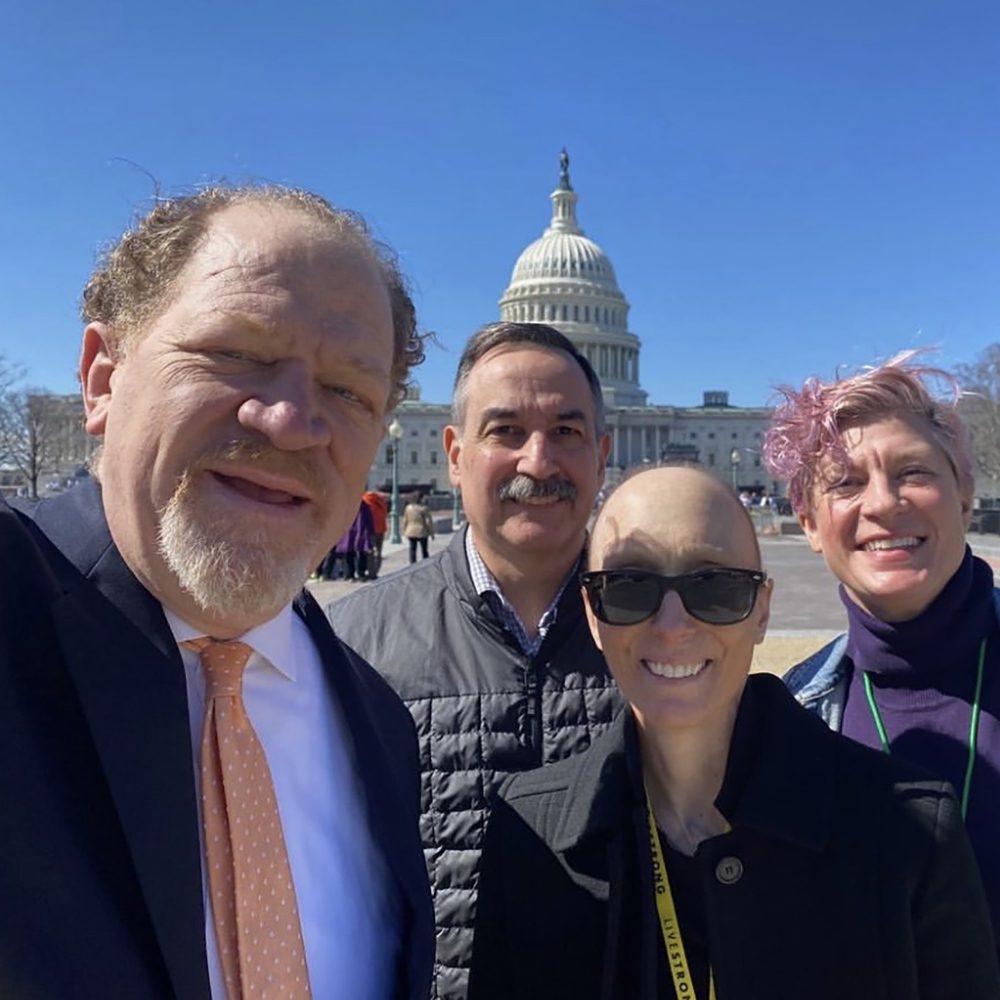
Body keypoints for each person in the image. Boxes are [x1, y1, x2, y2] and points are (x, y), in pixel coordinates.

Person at [0, 185, 433, 999]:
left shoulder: (380, 725)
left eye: (347, 391)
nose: (291, 420)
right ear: (101, 377)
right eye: (237, 352)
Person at [469, 466, 1000, 1000]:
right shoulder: (528, 832)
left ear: (762, 610)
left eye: (715, 587)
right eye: (629, 587)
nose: (672, 626)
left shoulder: (908, 832)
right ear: (592, 614)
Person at [329, 321, 621, 999]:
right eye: (507, 431)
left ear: (603, 454)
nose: (538, 462)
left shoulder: (663, 639)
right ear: (455, 454)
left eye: (567, 432)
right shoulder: (347, 647)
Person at [764, 351, 1000, 957]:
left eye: (914, 472)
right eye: (845, 482)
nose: (882, 503)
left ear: (965, 496)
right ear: (809, 524)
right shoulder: (791, 712)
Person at [363, 488, 389, 578]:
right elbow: (385, 513)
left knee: (370, 551)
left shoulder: (365, 500)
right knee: (379, 551)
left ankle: (371, 572)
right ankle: (377, 569)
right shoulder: (381, 501)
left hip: (369, 530)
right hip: (381, 528)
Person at [402, 491, 434, 562]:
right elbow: (428, 522)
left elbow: (405, 521)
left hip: (410, 531)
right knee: (424, 550)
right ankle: (425, 564)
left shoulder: (408, 508)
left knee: (412, 550)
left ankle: (412, 564)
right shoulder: (424, 509)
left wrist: (405, 530)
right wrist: (431, 533)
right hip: (422, 531)